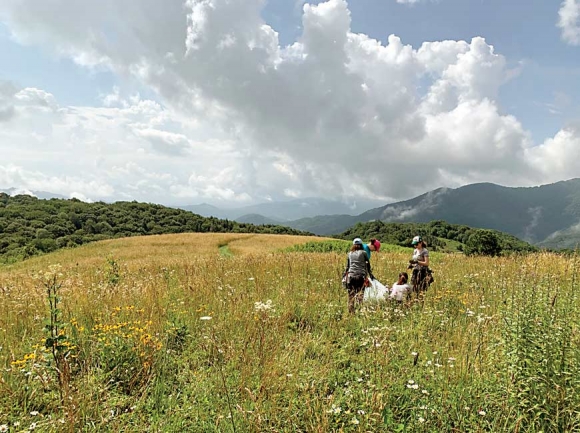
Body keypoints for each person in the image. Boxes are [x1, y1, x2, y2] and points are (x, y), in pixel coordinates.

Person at [344, 238, 373, 313]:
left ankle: (351, 312)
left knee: (351, 295)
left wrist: (344, 275)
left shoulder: (349, 253)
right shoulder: (363, 253)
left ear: (353, 245)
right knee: (360, 294)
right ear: (361, 245)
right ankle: (360, 311)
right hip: (361, 276)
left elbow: (347, 266)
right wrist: (371, 275)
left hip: (351, 276)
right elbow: (368, 265)